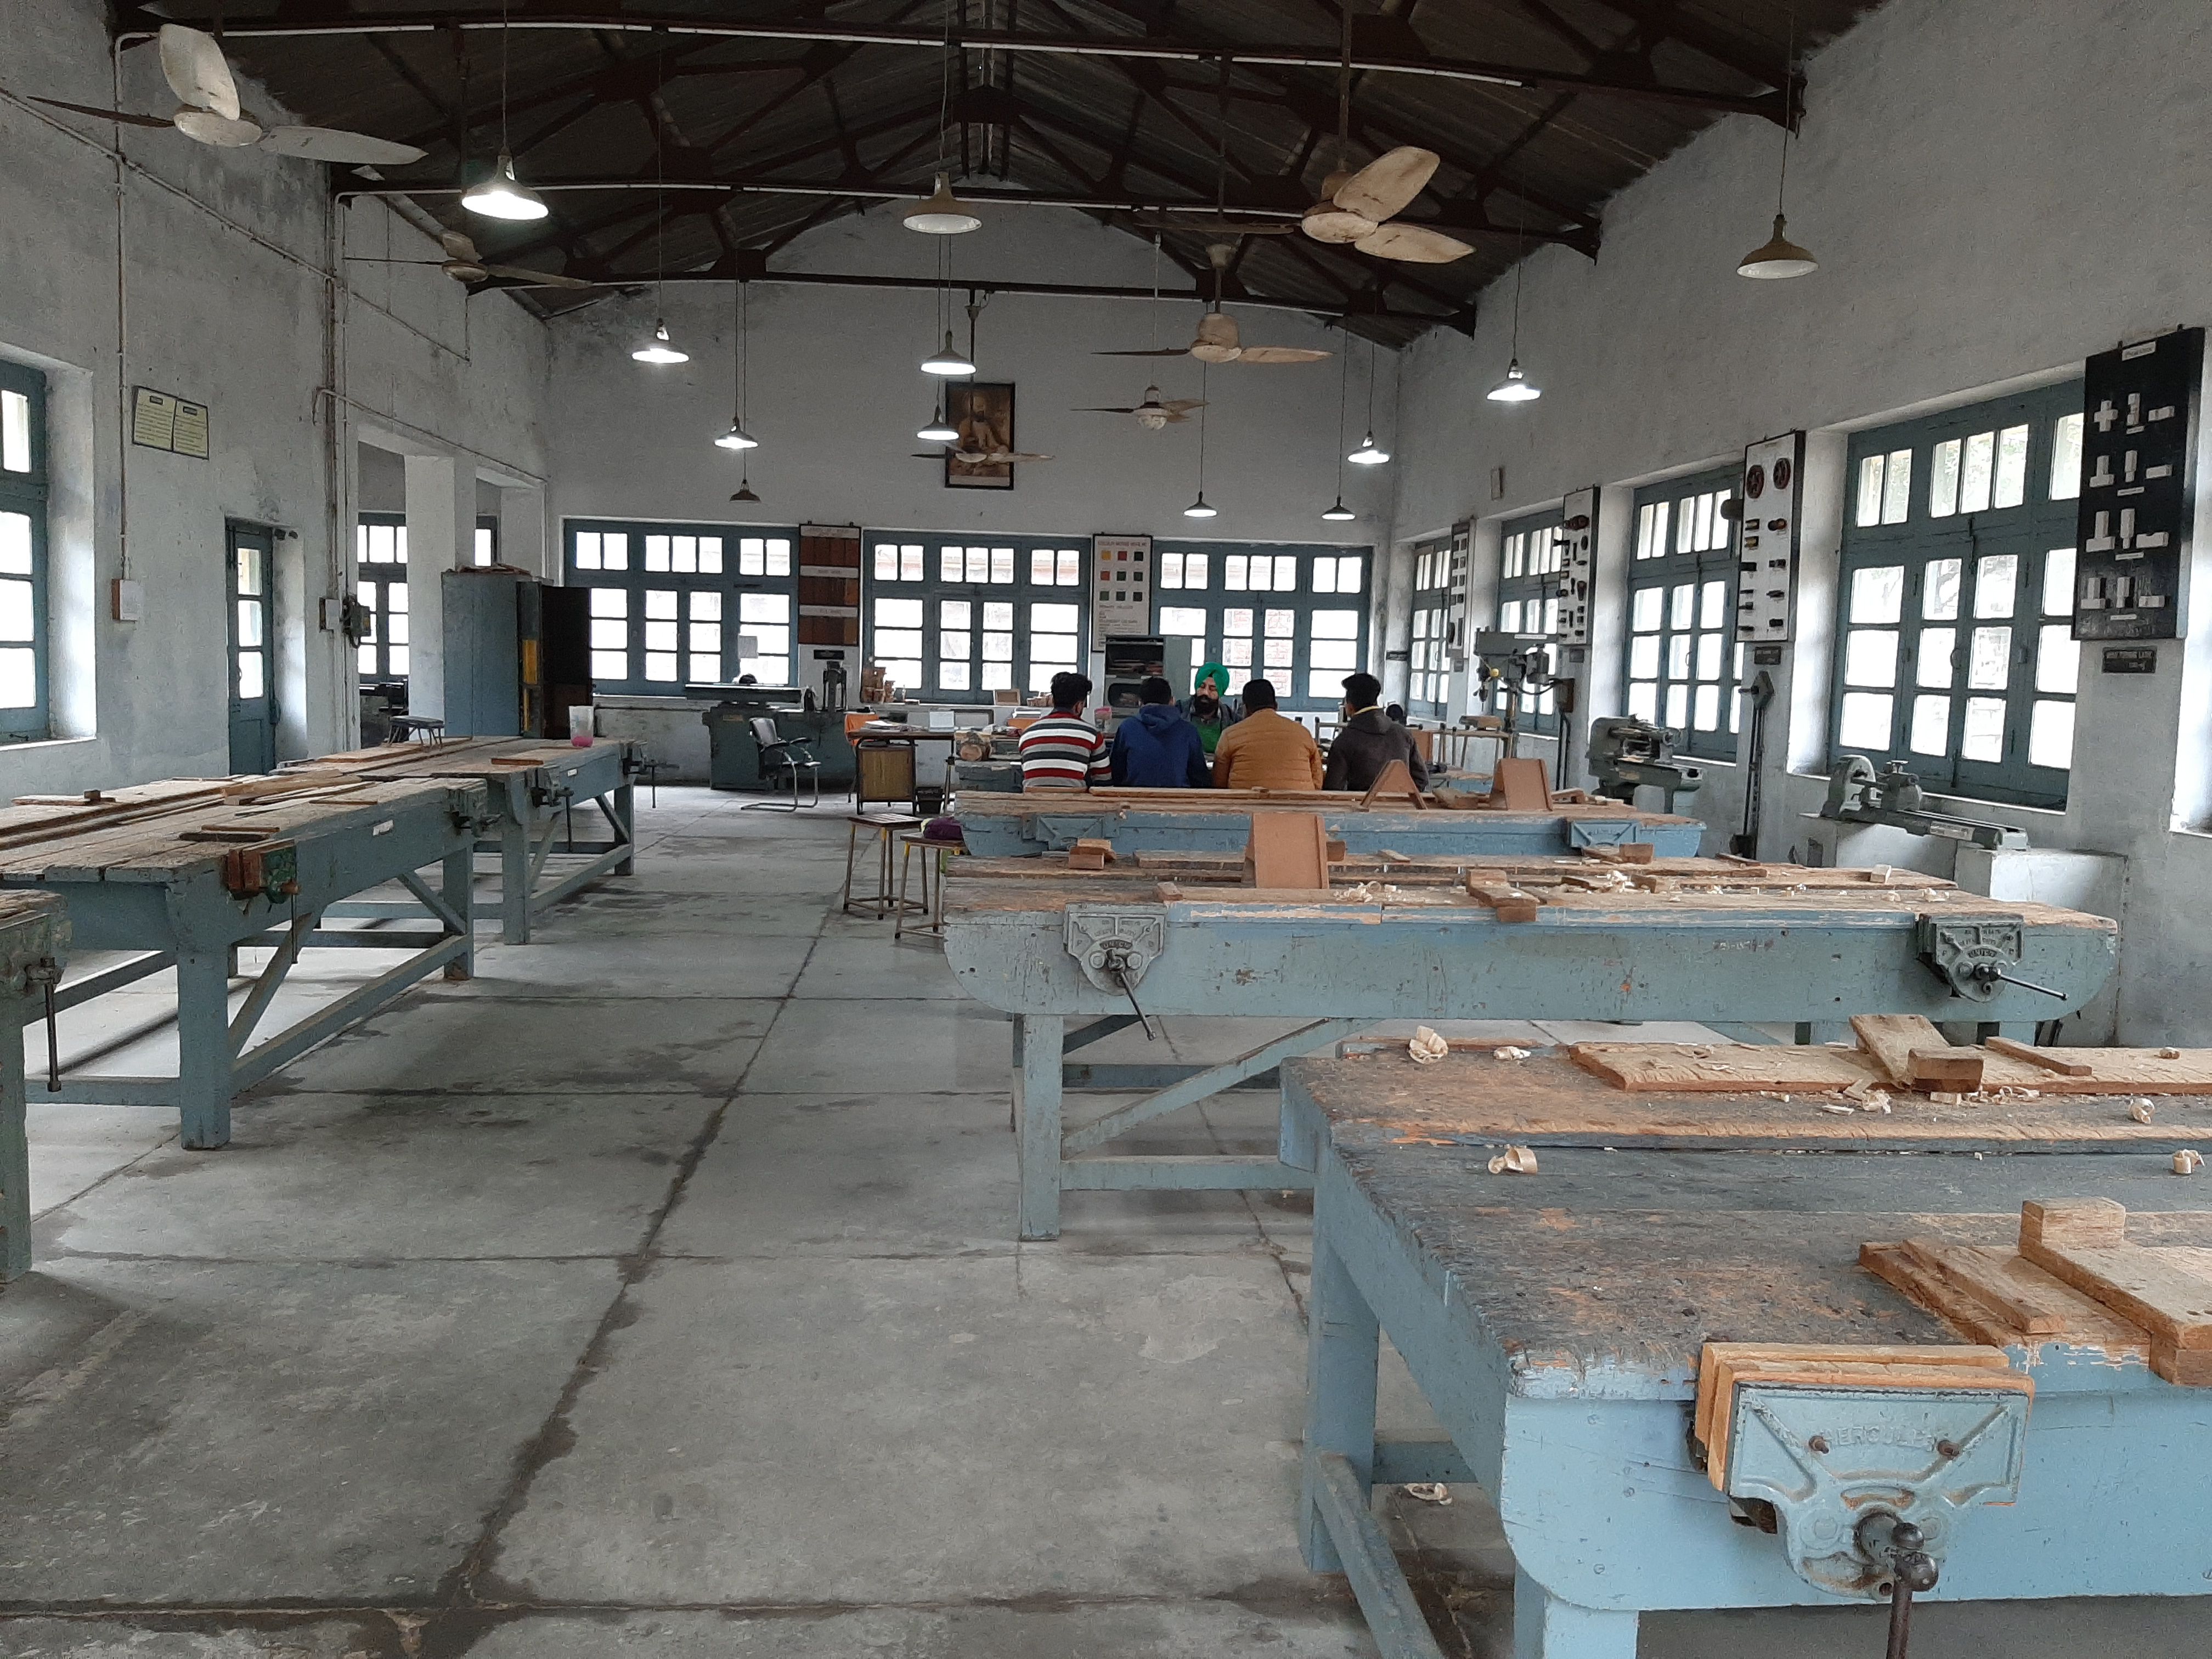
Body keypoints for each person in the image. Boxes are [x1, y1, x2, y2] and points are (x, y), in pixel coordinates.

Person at [1324, 672, 1430, 792]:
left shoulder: (1344, 741)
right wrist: (1401, 798)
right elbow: (1421, 779)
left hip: (1361, 804)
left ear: (1350, 706)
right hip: (1400, 803)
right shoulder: (1403, 733)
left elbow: (1333, 789)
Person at [1212, 678, 1324, 790]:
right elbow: (1318, 780)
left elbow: (1219, 784)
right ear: (1276, 705)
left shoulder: (1230, 735)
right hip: (1300, 800)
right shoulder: (1304, 734)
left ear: (1245, 709)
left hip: (1247, 801)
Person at [1110, 676, 1211, 788]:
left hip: (1135, 797)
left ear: (1140, 702)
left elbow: (1116, 773)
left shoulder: (1127, 728)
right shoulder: (1189, 731)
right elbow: (1199, 778)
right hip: (1177, 797)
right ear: (1172, 701)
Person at [1017, 672, 1110, 791]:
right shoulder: (1092, 735)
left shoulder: (1027, 734)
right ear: (1079, 706)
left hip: (1032, 800)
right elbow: (1104, 783)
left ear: (1052, 701)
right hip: (1074, 801)